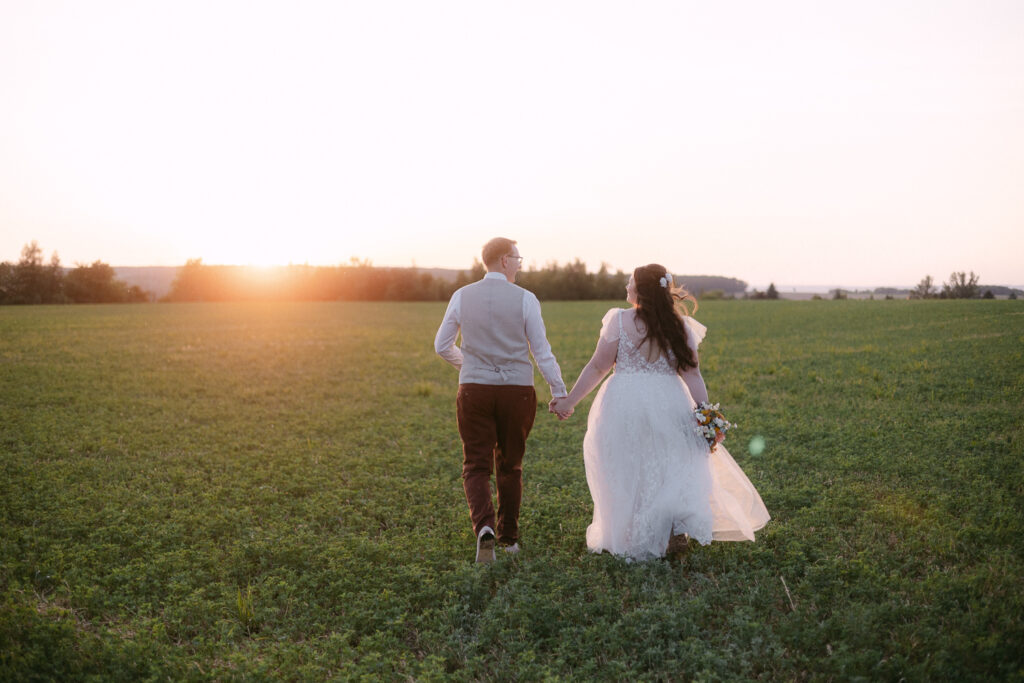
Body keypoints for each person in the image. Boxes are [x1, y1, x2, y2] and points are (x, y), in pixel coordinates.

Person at [550, 264, 769, 561]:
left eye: (631, 282)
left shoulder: (618, 319)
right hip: (669, 402)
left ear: (642, 289)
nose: (626, 286)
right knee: (668, 465)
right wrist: (705, 413)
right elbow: (692, 375)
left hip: (623, 404)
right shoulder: (678, 326)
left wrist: (570, 401)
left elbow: (598, 366)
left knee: (629, 466)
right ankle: (671, 530)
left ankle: (642, 533)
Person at [435, 238, 568, 563]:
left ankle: (484, 527)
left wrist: (470, 365)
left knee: (476, 466)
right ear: (505, 260)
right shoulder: (526, 299)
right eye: (518, 258)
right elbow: (541, 352)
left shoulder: (461, 296)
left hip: (474, 390)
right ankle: (509, 540)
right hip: (516, 392)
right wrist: (560, 392)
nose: (521, 264)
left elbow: (442, 345)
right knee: (510, 465)